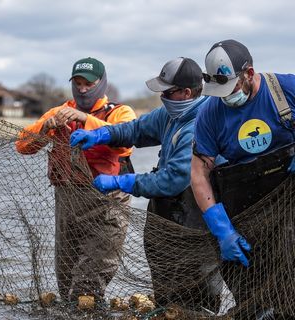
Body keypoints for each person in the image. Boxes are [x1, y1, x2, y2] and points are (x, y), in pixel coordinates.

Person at [70, 57, 233, 313]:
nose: (162, 97)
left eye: (167, 92)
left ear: (186, 93)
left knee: (196, 302)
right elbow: (136, 129)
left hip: (195, 218)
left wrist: (121, 181)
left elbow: (172, 179)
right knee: (166, 301)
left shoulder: (200, 124)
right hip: (167, 216)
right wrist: (101, 134)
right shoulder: (171, 113)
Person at [15, 57, 137, 302]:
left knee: (87, 287)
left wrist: (84, 120)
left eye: (88, 84)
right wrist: (43, 129)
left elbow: (126, 145)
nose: (82, 89)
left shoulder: (120, 112)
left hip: (107, 205)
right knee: (66, 281)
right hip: (68, 204)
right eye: (78, 83)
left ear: (102, 84)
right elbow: (22, 146)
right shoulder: (58, 112)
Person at [190, 39, 295, 316]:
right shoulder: (210, 114)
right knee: (251, 291)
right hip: (245, 207)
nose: (226, 97)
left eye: (231, 88)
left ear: (248, 73)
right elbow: (199, 172)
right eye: (219, 91)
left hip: (290, 199)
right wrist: (220, 228)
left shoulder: (285, 90)